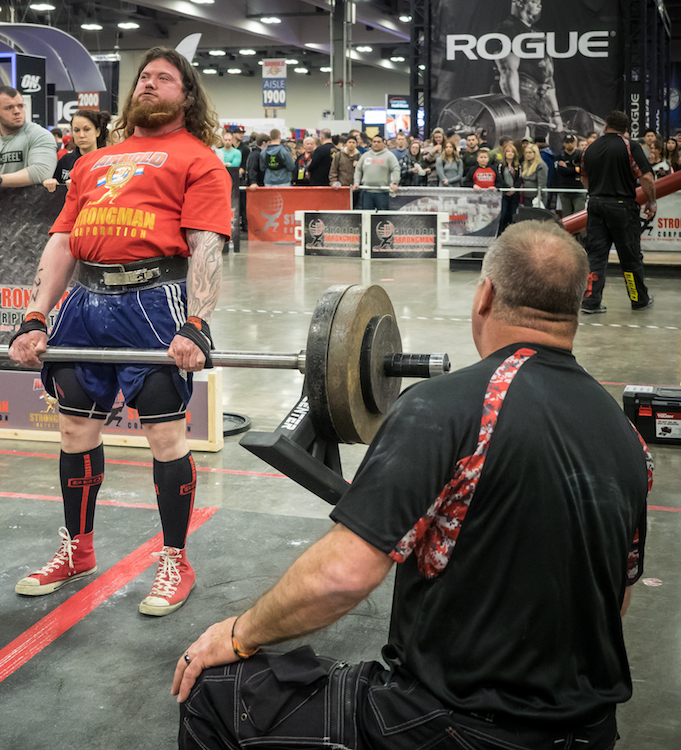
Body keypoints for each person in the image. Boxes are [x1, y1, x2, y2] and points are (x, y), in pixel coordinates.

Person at [173, 220, 651, 750]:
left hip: (447, 724)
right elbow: (616, 598)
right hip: (589, 733)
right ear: (578, 301)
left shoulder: (443, 408)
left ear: (485, 294)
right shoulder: (627, 437)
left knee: (214, 693)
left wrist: (237, 634)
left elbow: (341, 578)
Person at [7, 46, 231, 617]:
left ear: (187, 95)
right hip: (84, 302)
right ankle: (77, 549)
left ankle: (175, 558)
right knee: (74, 430)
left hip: (153, 303)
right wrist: (37, 314)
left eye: (164, 78)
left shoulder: (199, 160)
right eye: (144, 77)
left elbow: (207, 244)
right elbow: (62, 241)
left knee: (163, 438)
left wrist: (197, 323)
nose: (150, 84)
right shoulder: (92, 161)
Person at [581, 110, 656, 313]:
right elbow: (647, 178)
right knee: (629, 256)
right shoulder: (630, 147)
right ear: (626, 128)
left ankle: (590, 302)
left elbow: (584, 177)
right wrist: (652, 202)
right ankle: (638, 299)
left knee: (596, 255)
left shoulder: (590, 148)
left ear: (605, 125)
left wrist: (597, 192)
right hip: (622, 207)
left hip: (595, 205)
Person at [495, 0, 564, 139]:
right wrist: (516, 112)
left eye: (540, 2)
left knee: (541, 149)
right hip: (522, 97)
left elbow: (548, 75)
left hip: (540, 101)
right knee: (524, 148)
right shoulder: (509, 28)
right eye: (533, 1)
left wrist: (555, 113)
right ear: (519, 3)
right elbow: (507, 71)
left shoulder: (537, 33)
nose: (539, 6)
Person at [43, 109, 111, 191]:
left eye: (87, 129)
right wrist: (51, 184)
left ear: (97, 132)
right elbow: (56, 188)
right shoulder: (65, 161)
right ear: (72, 132)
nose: (81, 135)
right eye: (77, 130)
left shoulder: (108, 161)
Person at [352, 134, 400, 210]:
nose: (376, 143)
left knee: (382, 217)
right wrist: (356, 182)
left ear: (383, 144)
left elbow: (396, 169)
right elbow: (358, 170)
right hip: (366, 192)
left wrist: (395, 183)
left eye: (378, 142)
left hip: (382, 192)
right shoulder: (365, 156)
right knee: (366, 216)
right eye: (374, 141)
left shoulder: (390, 156)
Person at [553, 134, 584, 217]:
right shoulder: (560, 156)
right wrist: (575, 169)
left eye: (571, 142)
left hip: (579, 189)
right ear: (564, 143)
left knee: (579, 213)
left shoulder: (580, 155)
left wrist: (569, 169)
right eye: (567, 142)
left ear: (575, 143)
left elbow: (582, 170)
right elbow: (560, 171)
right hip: (565, 189)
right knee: (567, 216)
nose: (569, 144)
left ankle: (579, 230)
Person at [496, 142, 522, 234]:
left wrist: (514, 188)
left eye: (512, 152)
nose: (510, 153)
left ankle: (511, 234)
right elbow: (499, 179)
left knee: (512, 216)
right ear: (505, 153)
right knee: (502, 215)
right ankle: (499, 233)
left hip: (514, 194)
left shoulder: (518, 167)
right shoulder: (500, 166)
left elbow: (519, 179)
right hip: (504, 194)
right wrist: (507, 188)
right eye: (508, 151)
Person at [521, 142, 549, 207]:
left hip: (537, 196)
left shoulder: (541, 165)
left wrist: (539, 196)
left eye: (530, 152)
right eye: (526, 153)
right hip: (526, 196)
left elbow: (542, 183)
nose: (527, 154)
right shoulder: (524, 165)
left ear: (535, 153)